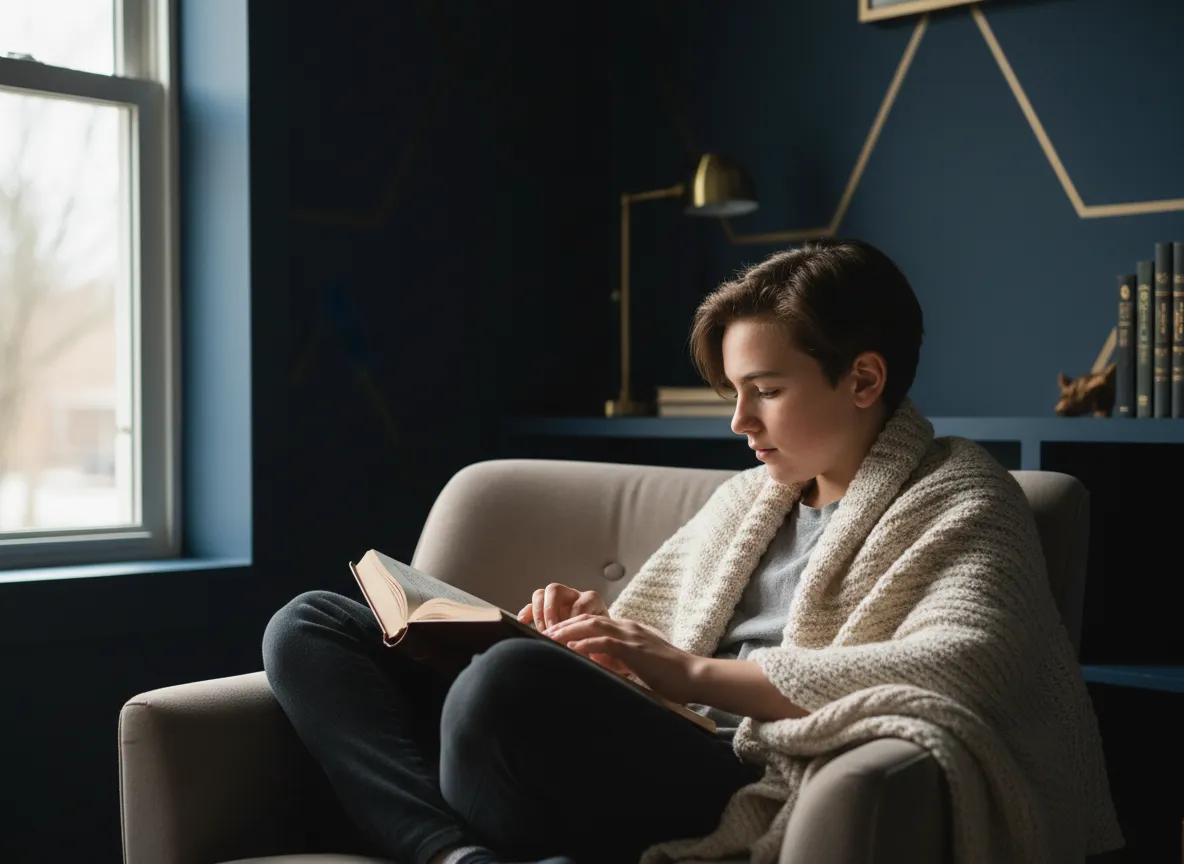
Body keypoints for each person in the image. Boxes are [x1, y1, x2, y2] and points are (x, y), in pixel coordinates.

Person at [263, 238, 1122, 864]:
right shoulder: (749, 500)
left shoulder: (960, 495)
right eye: (733, 394)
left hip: (739, 763)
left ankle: (430, 829)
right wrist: (590, 640)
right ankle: (455, 857)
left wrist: (685, 675)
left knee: (504, 685)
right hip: (648, 734)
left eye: (766, 392)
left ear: (864, 379)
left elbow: (963, 665)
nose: (740, 424)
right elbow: (652, 648)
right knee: (313, 624)